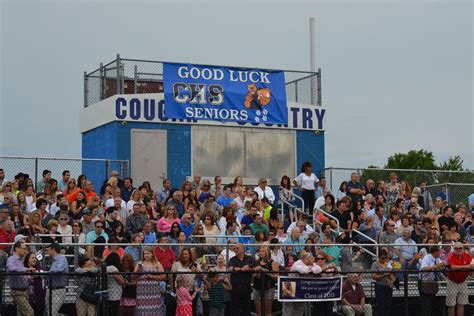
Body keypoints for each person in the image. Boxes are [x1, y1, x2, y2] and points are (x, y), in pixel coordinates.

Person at [135, 246, 166, 315]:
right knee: (142, 308)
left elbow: (163, 277)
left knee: (154, 308)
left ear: (152, 254)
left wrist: (153, 277)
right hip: (142, 290)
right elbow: (133, 277)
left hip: (154, 290)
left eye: (148, 253)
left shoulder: (157, 263)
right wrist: (138, 271)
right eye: (145, 254)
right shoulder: (140, 263)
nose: (146, 255)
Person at [6, 240, 35, 316]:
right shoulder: (12, 259)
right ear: (17, 249)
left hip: (24, 292)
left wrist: (28, 277)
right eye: (24, 248)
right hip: (18, 292)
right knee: (30, 312)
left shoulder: (21, 260)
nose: (25, 251)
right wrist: (26, 269)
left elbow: (20, 274)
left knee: (21, 314)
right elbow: (10, 268)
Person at [228, 243, 257, 316]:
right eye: (234, 248)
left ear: (243, 249)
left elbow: (258, 267)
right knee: (235, 308)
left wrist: (250, 269)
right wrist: (241, 269)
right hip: (235, 287)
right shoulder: (232, 259)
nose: (235, 249)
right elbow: (230, 268)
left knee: (246, 307)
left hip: (246, 286)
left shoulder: (250, 258)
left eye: (237, 248)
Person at [446, 242, 473, 316]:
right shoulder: (451, 256)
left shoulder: (467, 256)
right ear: (454, 249)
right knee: (451, 305)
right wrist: (466, 267)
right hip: (452, 282)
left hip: (463, 282)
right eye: (456, 248)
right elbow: (452, 267)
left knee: (461, 305)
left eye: (460, 248)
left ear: (463, 249)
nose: (458, 250)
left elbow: (472, 266)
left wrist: (459, 267)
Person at [253, 246, 279, 316]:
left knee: (268, 311)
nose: (261, 253)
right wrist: (256, 272)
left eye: (263, 251)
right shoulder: (256, 262)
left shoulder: (273, 262)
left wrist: (264, 271)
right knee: (258, 311)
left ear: (267, 252)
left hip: (269, 288)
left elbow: (276, 277)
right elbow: (251, 276)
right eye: (260, 251)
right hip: (257, 287)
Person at [419, 245, 444, 316]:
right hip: (424, 282)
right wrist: (435, 266)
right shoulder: (427, 257)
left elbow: (441, 266)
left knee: (432, 303)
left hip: (432, 283)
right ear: (435, 252)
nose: (440, 253)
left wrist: (442, 266)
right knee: (426, 304)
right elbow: (424, 268)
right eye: (439, 251)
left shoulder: (437, 259)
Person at [45, 243, 69, 316]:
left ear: (53, 250)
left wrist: (47, 273)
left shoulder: (62, 258)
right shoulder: (53, 261)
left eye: (48, 250)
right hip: (50, 289)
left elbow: (59, 269)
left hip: (58, 290)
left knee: (52, 313)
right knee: (49, 312)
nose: (47, 252)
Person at [371, 248, 396, 316]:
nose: (384, 260)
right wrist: (384, 275)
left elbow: (393, 275)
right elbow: (373, 276)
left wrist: (392, 277)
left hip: (388, 286)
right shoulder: (375, 264)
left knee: (388, 304)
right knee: (381, 304)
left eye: (385, 258)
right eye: (382, 258)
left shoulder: (388, 264)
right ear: (379, 257)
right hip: (380, 286)